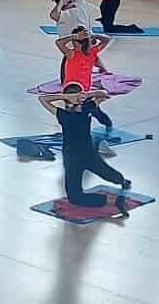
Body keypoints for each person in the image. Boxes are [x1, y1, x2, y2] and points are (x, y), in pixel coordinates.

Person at [37, 86, 131, 214]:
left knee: (112, 176)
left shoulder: (70, 112)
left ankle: (123, 182)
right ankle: (115, 200)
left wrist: (82, 95)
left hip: (81, 157)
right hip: (77, 159)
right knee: (75, 197)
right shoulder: (78, 111)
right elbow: (102, 95)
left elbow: (43, 99)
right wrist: (73, 96)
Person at [56, 28, 116, 146]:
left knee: (92, 110)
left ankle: (107, 123)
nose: (73, 43)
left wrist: (92, 35)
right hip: (71, 90)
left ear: (80, 43)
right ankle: (73, 134)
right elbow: (58, 43)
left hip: (85, 92)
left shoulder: (92, 52)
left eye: (75, 41)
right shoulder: (71, 53)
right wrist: (74, 36)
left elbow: (107, 39)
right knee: (71, 112)